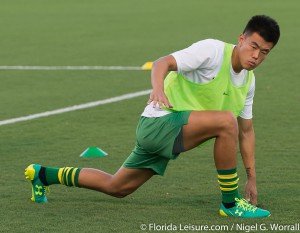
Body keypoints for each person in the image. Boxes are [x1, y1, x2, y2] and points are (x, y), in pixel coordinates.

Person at [25, 15, 280, 218]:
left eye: (265, 52)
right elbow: (162, 62)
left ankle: (43, 174)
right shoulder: (213, 50)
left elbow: (246, 131)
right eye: (253, 46)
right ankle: (230, 203)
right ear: (242, 39)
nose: (256, 56)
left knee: (117, 187)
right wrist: (157, 88)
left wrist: (252, 179)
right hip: (158, 124)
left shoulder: (249, 82)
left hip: (173, 133)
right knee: (225, 121)